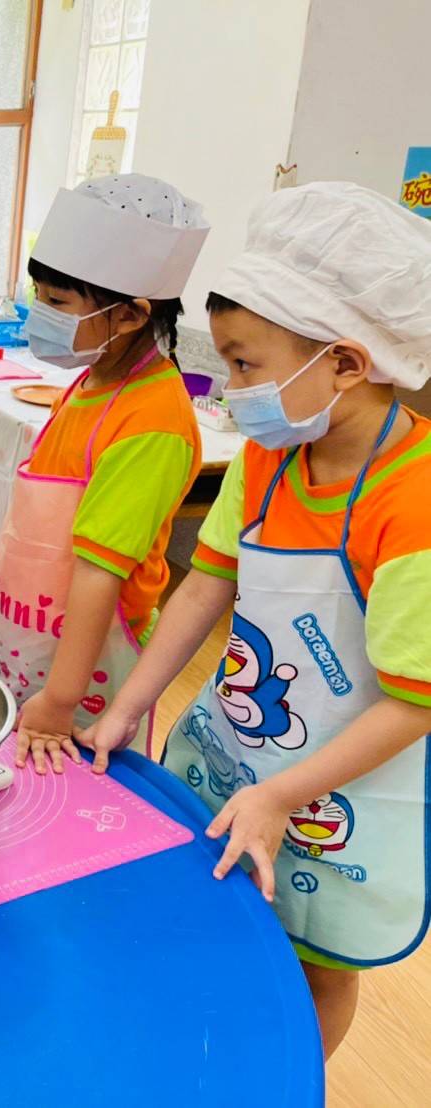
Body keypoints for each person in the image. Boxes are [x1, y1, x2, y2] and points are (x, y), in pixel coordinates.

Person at [83, 182, 431, 1057]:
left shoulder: (414, 500)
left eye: (245, 365)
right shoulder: (274, 456)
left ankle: (284, 1077)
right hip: (243, 747)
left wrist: (283, 795)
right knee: (217, 912)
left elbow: (418, 700)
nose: (231, 389)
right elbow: (206, 585)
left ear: (347, 364)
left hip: (347, 790)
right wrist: (131, 702)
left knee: (315, 965)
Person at [0, 174, 210, 772]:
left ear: (128, 315)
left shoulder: (153, 420)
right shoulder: (88, 381)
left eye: (57, 301)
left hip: (87, 664)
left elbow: (101, 572)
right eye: (38, 294)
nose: (38, 312)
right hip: (21, 630)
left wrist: (60, 699)